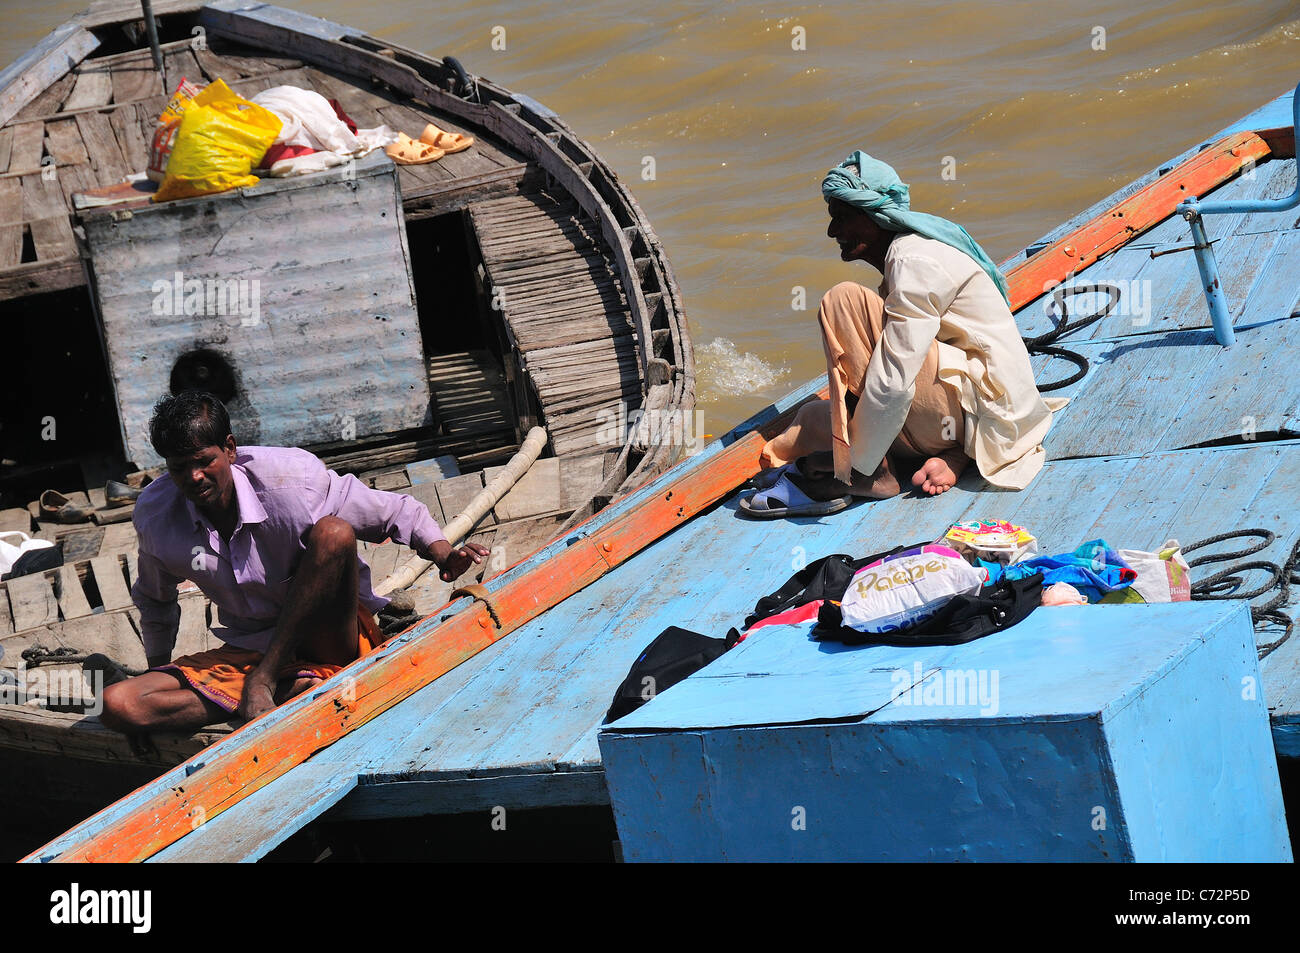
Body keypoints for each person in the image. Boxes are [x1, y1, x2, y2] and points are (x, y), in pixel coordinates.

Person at [99, 392, 488, 733]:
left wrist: (442, 552)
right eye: (178, 468)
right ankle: (290, 687)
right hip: (249, 647)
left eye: (204, 461)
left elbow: (391, 512)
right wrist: (156, 670)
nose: (194, 477)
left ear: (230, 449)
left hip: (331, 638)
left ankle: (266, 682)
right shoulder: (156, 516)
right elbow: (155, 598)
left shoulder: (292, 480)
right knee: (118, 704)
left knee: (334, 534)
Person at [747, 152, 1064, 515]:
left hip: (984, 413)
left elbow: (894, 380)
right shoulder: (909, 254)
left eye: (842, 218)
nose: (833, 232)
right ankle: (949, 452)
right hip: (982, 416)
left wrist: (852, 466)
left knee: (843, 300)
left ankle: (872, 472)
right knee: (814, 418)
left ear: (874, 215)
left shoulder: (912, 260)